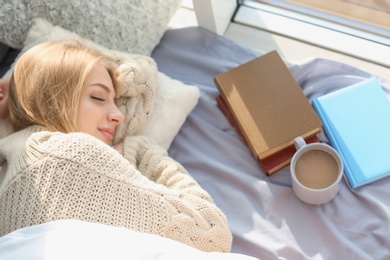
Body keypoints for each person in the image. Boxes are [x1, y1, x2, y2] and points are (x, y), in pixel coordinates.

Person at [0, 39, 232, 253]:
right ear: (47, 98)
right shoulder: (69, 155)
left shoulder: (12, 163)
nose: (119, 115)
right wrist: (142, 150)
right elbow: (213, 235)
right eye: (99, 98)